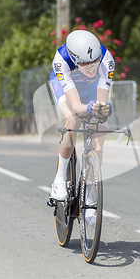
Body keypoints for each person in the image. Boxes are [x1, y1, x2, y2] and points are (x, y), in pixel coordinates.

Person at [48, 30, 114, 200]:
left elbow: (100, 103)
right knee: (73, 120)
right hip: (64, 85)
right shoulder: (61, 60)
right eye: (85, 63)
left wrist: (102, 109)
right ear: (75, 59)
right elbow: (77, 107)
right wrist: (88, 108)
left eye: (94, 62)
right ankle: (59, 179)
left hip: (89, 87)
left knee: (98, 146)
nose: (92, 67)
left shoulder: (106, 59)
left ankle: (89, 196)